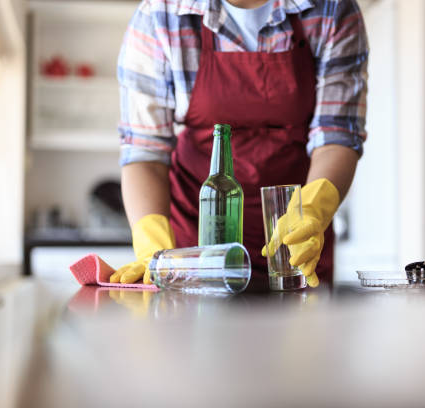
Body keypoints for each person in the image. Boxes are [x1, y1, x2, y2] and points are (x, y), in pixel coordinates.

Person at [109, 0, 368, 290]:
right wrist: (153, 251)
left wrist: (314, 208)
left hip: (296, 247)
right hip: (194, 252)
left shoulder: (331, 9)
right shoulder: (162, 13)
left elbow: (337, 136)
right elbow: (145, 152)